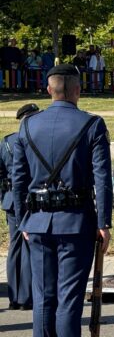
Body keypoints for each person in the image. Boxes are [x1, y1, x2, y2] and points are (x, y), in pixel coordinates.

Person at [12, 64, 113, 336]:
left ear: (48, 90)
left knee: (43, 298)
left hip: (37, 222)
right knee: (69, 300)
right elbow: (103, 178)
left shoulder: (29, 124)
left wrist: (23, 221)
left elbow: (18, 179)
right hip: (76, 221)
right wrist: (104, 222)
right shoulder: (92, 124)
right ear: (78, 90)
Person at [2, 103, 39, 311]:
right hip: (30, 200)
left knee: (14, 248)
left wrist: (4, 197)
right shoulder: (33, 139)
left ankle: (14, 296)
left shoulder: (6, 141)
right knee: (29, 248)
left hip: (11, 201)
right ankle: (26, 297)